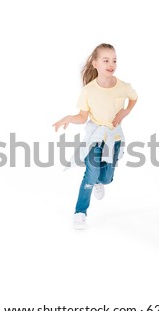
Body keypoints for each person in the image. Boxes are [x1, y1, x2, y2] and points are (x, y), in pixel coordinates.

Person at [53, 43, 138, 230]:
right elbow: (83, 117)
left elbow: (134, 97)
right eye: (106, 60)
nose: (111, 64)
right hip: (96, 138)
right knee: (90, 173)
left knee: (106, 177)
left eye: (114, 60)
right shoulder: (88, 91)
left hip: (114, 139)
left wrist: (124, 112)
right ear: (95, 64)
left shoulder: (122, 87)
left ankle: (101, 181)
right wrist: (68, 118)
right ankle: (80, 212)